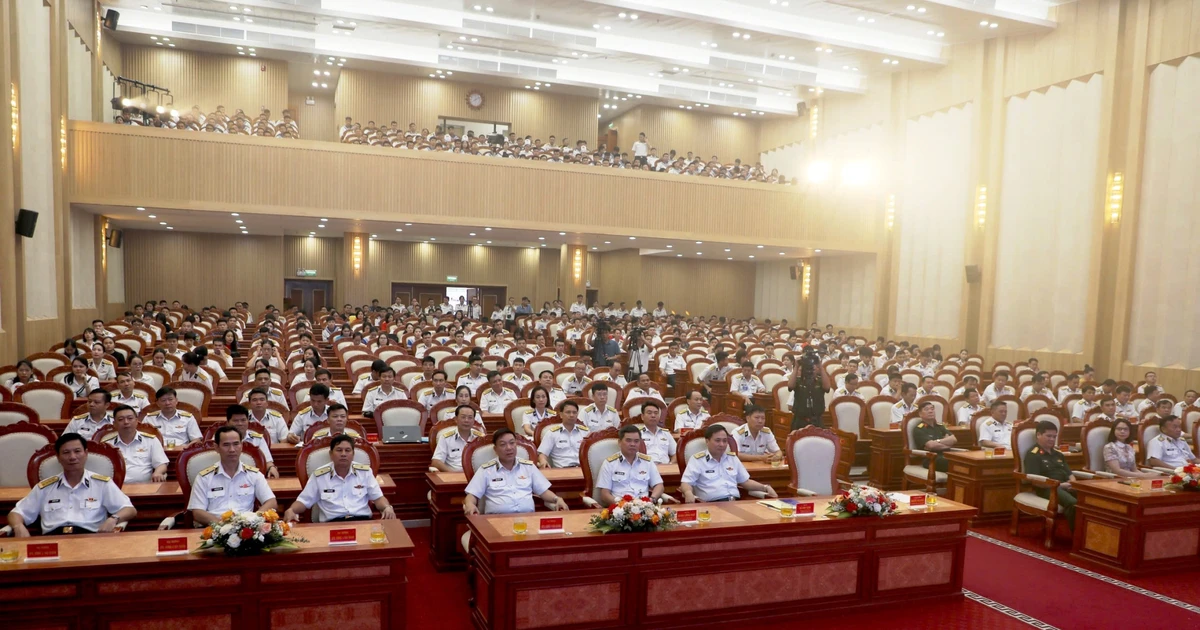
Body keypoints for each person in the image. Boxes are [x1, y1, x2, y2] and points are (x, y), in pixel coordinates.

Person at [6, 433, 136, 536]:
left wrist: (113, 519)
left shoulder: (101, 483)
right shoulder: (45, 487)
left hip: (91, 540)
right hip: (54, 540)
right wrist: (18, 527)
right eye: (66, 453)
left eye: (77, 451)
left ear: (86, 453)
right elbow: (16, 513)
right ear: (58, 457)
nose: (72, 457)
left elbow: (129, 509)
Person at [283, 435, 394, 523]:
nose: (343, 454)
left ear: (353, 454)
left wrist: (387, 507)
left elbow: (378, 498)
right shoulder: (320, 475)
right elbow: (303, 501)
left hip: (362, 522)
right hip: (332, 524)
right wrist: (291, 510)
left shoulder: (364, 472)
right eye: (339, 450)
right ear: (331, 454)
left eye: (347, 450)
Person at [463, 428, 568, 515]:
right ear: (495, 449)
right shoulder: (486, 470)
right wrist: (470, 504)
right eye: (503, 444)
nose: (509, 448)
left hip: (528, 520)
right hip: (497, 522)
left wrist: (557, 499)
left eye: (512, 443)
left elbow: (543, 491)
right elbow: (472, 495)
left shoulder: (528, 467)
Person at [187, 426, 277, 526]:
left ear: (241, 445)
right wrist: (224, 526)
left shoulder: (254, 475)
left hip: (247, 530)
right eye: (226, 445)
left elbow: (271, 502)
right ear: (216, 447)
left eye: (236, 444)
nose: (232, 449)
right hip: (215, 530)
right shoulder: (204, 477)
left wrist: (253, 520)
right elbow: (197, 512)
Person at [679, 424, 778, 503]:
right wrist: (688, 493)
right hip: (711, 506)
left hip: (735, 503)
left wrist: (765, 487)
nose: (722, 444)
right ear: (707, 441)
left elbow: (745, 482)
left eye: (725, 441)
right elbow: (686, 482)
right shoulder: (698, 460)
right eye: (717, 441)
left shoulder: (732, 458)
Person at [1023, 421, 1077, 529]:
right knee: (1072, 503)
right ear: (1038, 435)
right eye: (1048, 436)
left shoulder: (1058, 454)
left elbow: (1069, 474)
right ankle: (1077, 538)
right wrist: (1060, 485)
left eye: (1054, 436)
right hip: (1048, 489)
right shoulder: (1033, 455)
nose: (1052, 439)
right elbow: (1036, 481)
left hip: (1066, 486)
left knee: (1090, 500)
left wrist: (1073, 483)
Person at [595, 425, 666, 505]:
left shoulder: (647, 462)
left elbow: (659, 485)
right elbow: (604, 495)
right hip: (620, 509)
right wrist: (623, 505)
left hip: (644, 507)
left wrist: (652, 499)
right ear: (620, 442)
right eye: (628, 440)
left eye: (636, 441)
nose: (633, 444)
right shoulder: (610, 463)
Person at [102, 405, 168, 483]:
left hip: (144, 487)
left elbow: (161, 463)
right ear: (114, 424)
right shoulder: (106, 445)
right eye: (121, 419)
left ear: (137, 421)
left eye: (130, 418)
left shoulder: (150, 440)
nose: (126, 422)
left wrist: (158, 472)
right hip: (116, 487)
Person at [224, 404, 279, 479]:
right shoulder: (218, 439)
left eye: (243, 420)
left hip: (254, 478)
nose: (240, 424)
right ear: (228, 422)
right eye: (236, 421)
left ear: (248, 421)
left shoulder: (257, 438)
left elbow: (268, 461)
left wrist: (271, 468)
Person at [431, 405, 486, 472]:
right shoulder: (446, 438)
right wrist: (452, 473)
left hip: (477, 477)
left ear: (474, 421)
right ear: (456, 419)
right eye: (463, 417)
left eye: (470, 418)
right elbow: (436, 461)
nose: (466, 420)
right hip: (454, 477)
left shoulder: (481, 438)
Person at [536, 401, 589, 468]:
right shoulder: (552, 433)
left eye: (574, 412)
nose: (571, 415)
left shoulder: (585, 432)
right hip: (562, 471)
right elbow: (542, 453)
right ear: (561, 415)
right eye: (568, 412)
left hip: (583, 470)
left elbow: (592, 453)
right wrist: (543, 461)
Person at [912, 401, 957, 473]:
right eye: (926, 409)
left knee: (963, 461)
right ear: (920, 414)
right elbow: (931, 445)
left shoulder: (940, 426)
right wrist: (947, 443)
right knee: (954, 464)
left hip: (946, 455)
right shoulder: (919, 429)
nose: (930, 411)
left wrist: (937, 442)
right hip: (931, 458)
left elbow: (954, 439)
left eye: (932, 409)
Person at [790, 352, 831, 429]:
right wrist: (796, 366)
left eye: (813, 369)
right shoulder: (799, 381)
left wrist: (820, 366)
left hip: (817, 420)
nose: (811, 371)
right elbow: (790, 386)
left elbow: (827, 387)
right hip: (799, 420)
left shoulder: (820, 381)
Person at [638, 400, 676, 464]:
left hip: (666, 468)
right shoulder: (637, 434)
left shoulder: (666, 433)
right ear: (642, 416)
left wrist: (670, 464)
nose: (653, 415)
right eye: (649, 413)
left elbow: (675, 454)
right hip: (646, 470)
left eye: (656, 413)